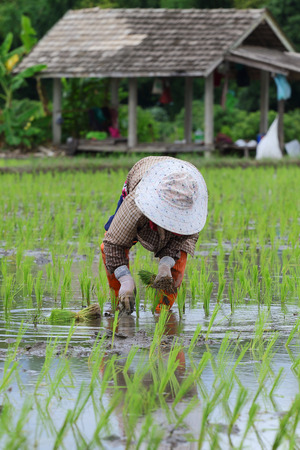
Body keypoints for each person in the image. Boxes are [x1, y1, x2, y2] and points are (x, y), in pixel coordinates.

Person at [100, 156, 208, 314]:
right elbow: (113, 244)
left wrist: (165, 265)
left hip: (180, 182)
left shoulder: (191, 207)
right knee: (107, 249)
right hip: (145, 178)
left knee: (177, 264)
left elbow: (182, 242)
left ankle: (162, 311)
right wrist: (125, 279)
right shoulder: (136, 204)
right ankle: (120, 302)